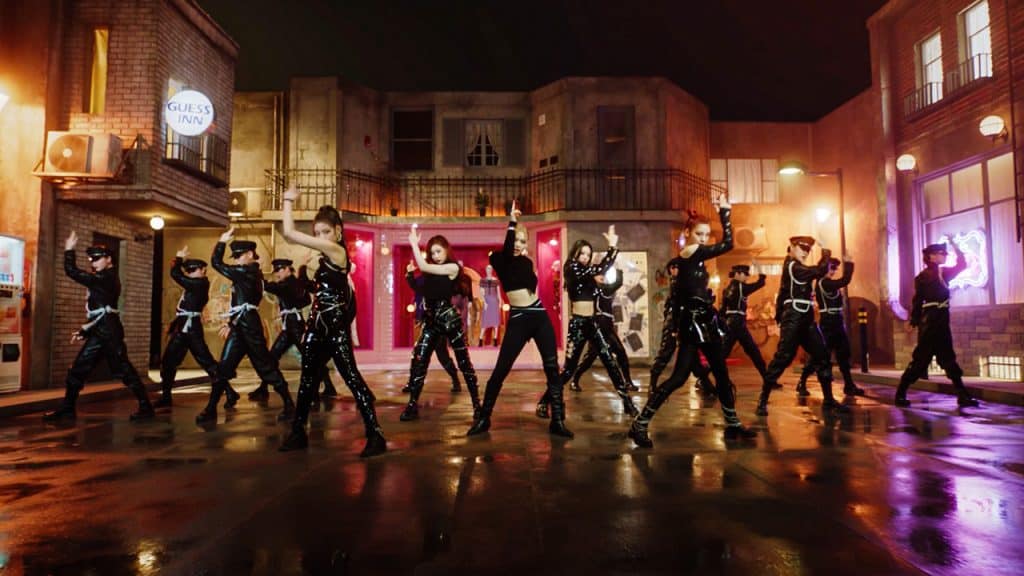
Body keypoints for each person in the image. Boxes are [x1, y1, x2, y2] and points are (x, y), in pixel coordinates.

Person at [629, 198, 757, 447]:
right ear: (687, 233)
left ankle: (733, 422)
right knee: (679, 378)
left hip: (703, 321)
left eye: (707, 235)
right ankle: (640, 423)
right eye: (699, 234)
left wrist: (677, 325)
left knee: (720, 373)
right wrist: (725, 212)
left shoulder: (690, 259)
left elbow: (678, 296)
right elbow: (729, 244)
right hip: (693, 324)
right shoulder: (692, 253)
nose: (704, 239)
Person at [278, 187, 385, 456]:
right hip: (316, 325)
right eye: (317, 233)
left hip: (335, 327)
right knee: (307, 380)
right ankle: (298, 432)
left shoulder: (338, 252)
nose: (320, 238)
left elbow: (289, 233)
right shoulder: (324, 258)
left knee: (351, 378)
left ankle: (375, 435)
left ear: (338, 231)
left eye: (325, 232)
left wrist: (288, 201)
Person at [467, 200, 572, 437]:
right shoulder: (498, 259)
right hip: (519, 318)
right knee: (501, 369)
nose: (518, 245)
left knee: (552, 368)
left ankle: (557, 420)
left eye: (523, 241)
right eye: (515, 240)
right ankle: (484, 419)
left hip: (539, 315)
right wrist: (512, 222)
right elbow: (507, 250)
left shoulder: (527, 262)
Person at [43, 233, 155, 422]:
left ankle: (146, 406)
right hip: (102, 330)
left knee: (123, 370)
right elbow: (99, 312)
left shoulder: (106, 277)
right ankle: (68, 409)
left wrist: (69, 250)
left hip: (108, 332)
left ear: (109, 259)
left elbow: (72, 272)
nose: (93, 263)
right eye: (91, 260)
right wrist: (86, 330)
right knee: (79, 370)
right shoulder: (103, 277)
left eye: (96, 259)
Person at [536, 229, 639, 419]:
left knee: (610, 362)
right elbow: (597, 270)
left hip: (592, 323)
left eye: (588, 254)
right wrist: (612, 248)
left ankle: (627, 403)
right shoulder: (571, 267)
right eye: (582, 253)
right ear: (575, 253)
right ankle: (544, 401)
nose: (585, 257)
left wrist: (606, 266)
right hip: (578, 324)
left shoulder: (588, 274)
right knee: (568, 370)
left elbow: (601, 277)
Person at [196, 230, 293, 424]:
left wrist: (222, 242)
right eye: (236, 257)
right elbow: (240, 303)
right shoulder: (248, 272)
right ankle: (211, 408)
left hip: (249, 325)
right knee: (224, 368)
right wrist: (231, 323)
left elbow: (216, 263)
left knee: (265, 366)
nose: (237, 260)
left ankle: (290, 405)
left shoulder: (247, 271)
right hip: (240, 325)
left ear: (249, 254)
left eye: (239, 256)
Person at [756, 237, 850, 416]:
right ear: (791, 247)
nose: (805, 252)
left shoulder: (797, 268)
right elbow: (819, 270)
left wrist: (778, 313)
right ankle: (763, 399)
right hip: (793, 317)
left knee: (822, 355)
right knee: (783, 357)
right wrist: (825, 251)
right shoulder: (793, 266)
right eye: (802, 248)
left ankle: (829, 400)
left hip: (806, 318)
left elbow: (783, 291)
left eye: (808, 249)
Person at [399, 229, 480, 421]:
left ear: (446, 251)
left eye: (438, 251)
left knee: (464, 362)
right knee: (419, 360)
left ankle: (477, 405)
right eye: (432, 253)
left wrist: (413, 244)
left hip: (449, 320)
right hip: (431, 320)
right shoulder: (430, 272)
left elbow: (423, 266)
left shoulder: (452, 268)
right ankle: (412, 405)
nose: (435, 256)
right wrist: (409, 275)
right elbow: (421, 289)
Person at [895, 242, 979, 408]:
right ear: (931, 256)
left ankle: (962, 395)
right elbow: (918, 300)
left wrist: (956, 247)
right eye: (942, 253)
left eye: (945, 253)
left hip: (940, 320)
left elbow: (961, 264)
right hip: (931, 322)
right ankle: (900, 393)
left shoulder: (941, 273)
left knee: (947, 358)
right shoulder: (929, 276)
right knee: (922, 360)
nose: (944, 256)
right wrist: (913, 321)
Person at [248, 258, 339, 403]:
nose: (277, 274)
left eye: (279, 270)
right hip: (290, 326)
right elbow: (305, 300)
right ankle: (263, 388)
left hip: (295, 327)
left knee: (307, 357)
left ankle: (327, 387)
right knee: (273, 357)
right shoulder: (294, 283)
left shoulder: (289, 283)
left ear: (287, 269)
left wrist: (256, 275)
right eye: (276, 271)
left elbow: (272, 287)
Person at [155, 247, 219, 408]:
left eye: (192, 270)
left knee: (207, 362)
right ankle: (166, 396)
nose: (189, 274)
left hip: (192, 329)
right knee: (168, 362)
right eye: (188, 271)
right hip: (182, 327)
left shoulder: (200, 284)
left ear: (202, 271)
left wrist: (178, 258)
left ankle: (229, 392)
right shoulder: (193, 285)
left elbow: (175, 274)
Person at [794, 257, 866, 397]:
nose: (833, 271)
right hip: (828, 323)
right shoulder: (824, 283)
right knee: (819, 355)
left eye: (835, 268)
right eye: (832, 268)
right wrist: (849, 263)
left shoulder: (827, 283)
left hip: (837, 321)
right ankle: (802, 381)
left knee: (843, 354)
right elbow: (845, 280)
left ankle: (849, 385)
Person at [568, 266, 639, 393]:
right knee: (591, 357)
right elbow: (618, 283)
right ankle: (574, 380)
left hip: (606, 325)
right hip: (599, 325)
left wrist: (617, 270)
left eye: (602, 274)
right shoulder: (597, 289)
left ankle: (628, 382)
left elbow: (616, 283)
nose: (601, 276)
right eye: (598, 274)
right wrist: (618, 270)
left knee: (620, 353)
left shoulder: (601, 289)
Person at [403, 260, 463, 393]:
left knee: (442, 355)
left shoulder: (441, 279)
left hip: (439, 323)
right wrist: (410, 274)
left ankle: (455, 380)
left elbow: (423, 290)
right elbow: (417, 288)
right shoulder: (426, 279)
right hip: (429, 322)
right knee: (418, 353)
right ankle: (412, 382)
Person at [720, 265, 769, 380]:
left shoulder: (726, 289)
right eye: (745, 274)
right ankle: (768, 379)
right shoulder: (741, 287)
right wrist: (760, 270)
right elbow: (760, 283)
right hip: (737, 322)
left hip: (730, 322)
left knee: (723, 353)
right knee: (753, 351)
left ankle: (704, 377)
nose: (747, 277)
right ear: (737, 274)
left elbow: (722, 311)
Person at [479, 264, 502, 346]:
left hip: (494, 301)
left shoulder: (496, 280)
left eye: (490, 268)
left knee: (495, 321)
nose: (488, 270)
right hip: (487, 301)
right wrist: (484, 302)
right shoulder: (482, 281)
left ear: (492, 270)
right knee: (485, 321)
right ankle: (480, 340)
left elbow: (498, 293)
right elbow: (481, 293)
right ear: (486, 270)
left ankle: (495, 339)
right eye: (487, 268)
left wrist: (500, 302)